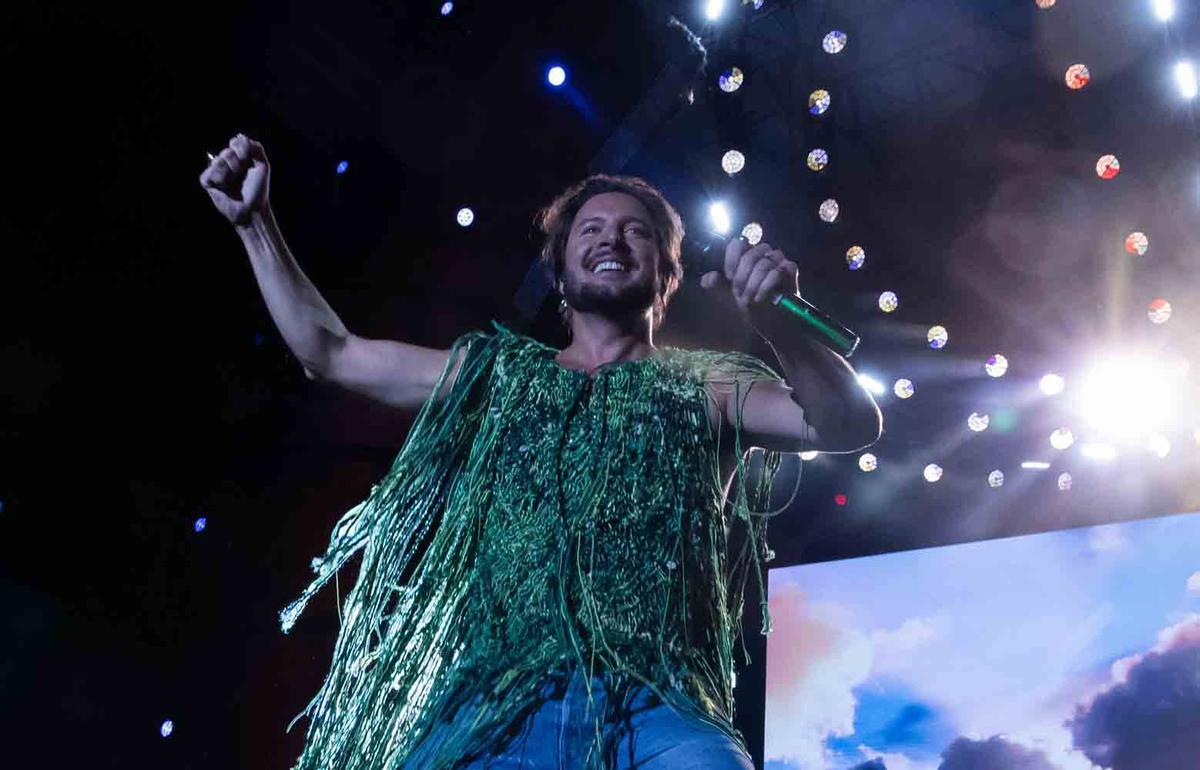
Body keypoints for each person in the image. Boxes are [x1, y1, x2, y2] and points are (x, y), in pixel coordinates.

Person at [200, 133, 881, 770]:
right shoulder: (495, 374)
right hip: (497, 700)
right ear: (560, 272)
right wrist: (255, 223)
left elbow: (846, 425)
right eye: (591, 228)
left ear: (666, 275)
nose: (612, 237)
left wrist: (781, 323)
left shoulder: (709, 384)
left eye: (635, 231)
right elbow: (330, 353)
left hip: (660, 704)